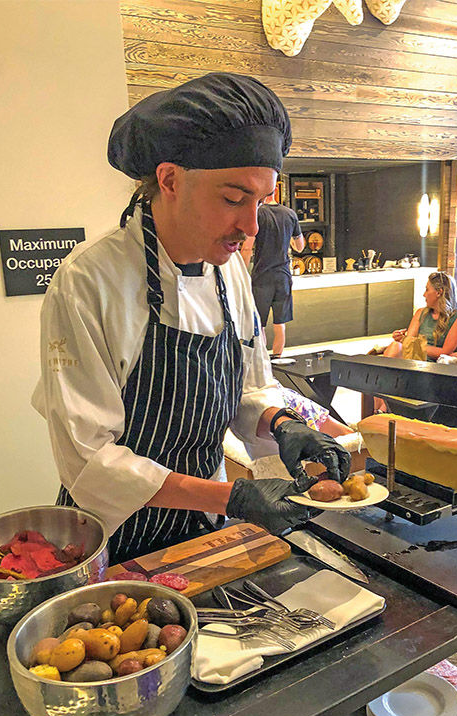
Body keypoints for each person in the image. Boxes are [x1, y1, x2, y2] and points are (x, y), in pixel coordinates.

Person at [32, 72, 350, 563]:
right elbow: (89, 460)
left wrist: (283, 424)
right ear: (170, 179)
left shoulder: (231, 272)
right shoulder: (88, 282)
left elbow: (244, 387)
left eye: (261, 202)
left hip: (204, 525)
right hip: (112, 536)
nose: (250, 226)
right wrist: (233, 497)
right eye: (233, 198)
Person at [373, 271, 457, 412]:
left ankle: (382, 410)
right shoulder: (421, 312)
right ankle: (381, 410)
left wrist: (412, 343)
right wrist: (402, 339)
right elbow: (406, 343)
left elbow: (445, 352)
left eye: (427, 289)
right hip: (411, 358)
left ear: (439, 292)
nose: (424, 294)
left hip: (431, 365)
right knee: (394, 347)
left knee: (390, 362)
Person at [243, 195, 305, 357]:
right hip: (283, 276)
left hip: (262, 276)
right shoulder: (290, 214)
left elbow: (247, 248)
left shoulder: (257, 214)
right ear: (275, 193)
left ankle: (263, 360)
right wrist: (288, 241)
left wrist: (241, 271)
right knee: (280, 323)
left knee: (260, 323)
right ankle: (278, 358)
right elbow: (300, 246)